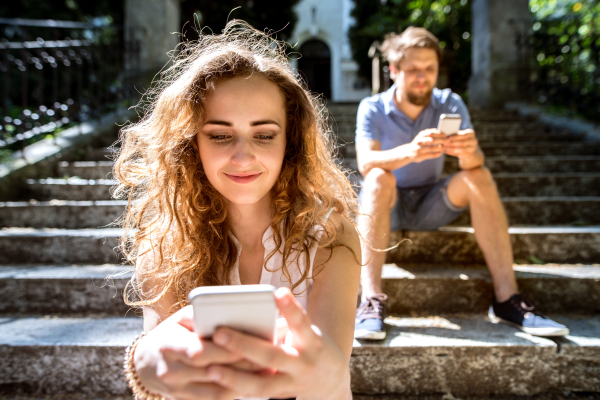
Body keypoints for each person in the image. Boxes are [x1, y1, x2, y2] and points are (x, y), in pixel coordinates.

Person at [113, 21, 361, 400]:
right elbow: (163, 377)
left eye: (264, 135)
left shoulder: (330, 236)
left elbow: (330, 379)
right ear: (190, 143)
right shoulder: (164, 240)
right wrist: (143, 365)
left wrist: (328, 375)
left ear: (289, 142)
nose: (243, 156)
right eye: (219, 135)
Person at [354, 27, 569, 340]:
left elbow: (476, 163)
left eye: (430, 69)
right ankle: (371, 301)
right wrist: (410, 152)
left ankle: (507, 300)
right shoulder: (372, 107)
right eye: (413, 70)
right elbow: (365, 163)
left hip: (432, 203)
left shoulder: (449, 102)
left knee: (478, 175)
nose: (422, 77)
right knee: (376, 177)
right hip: (390, 204)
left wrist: (468, 152)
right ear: (394, 71)